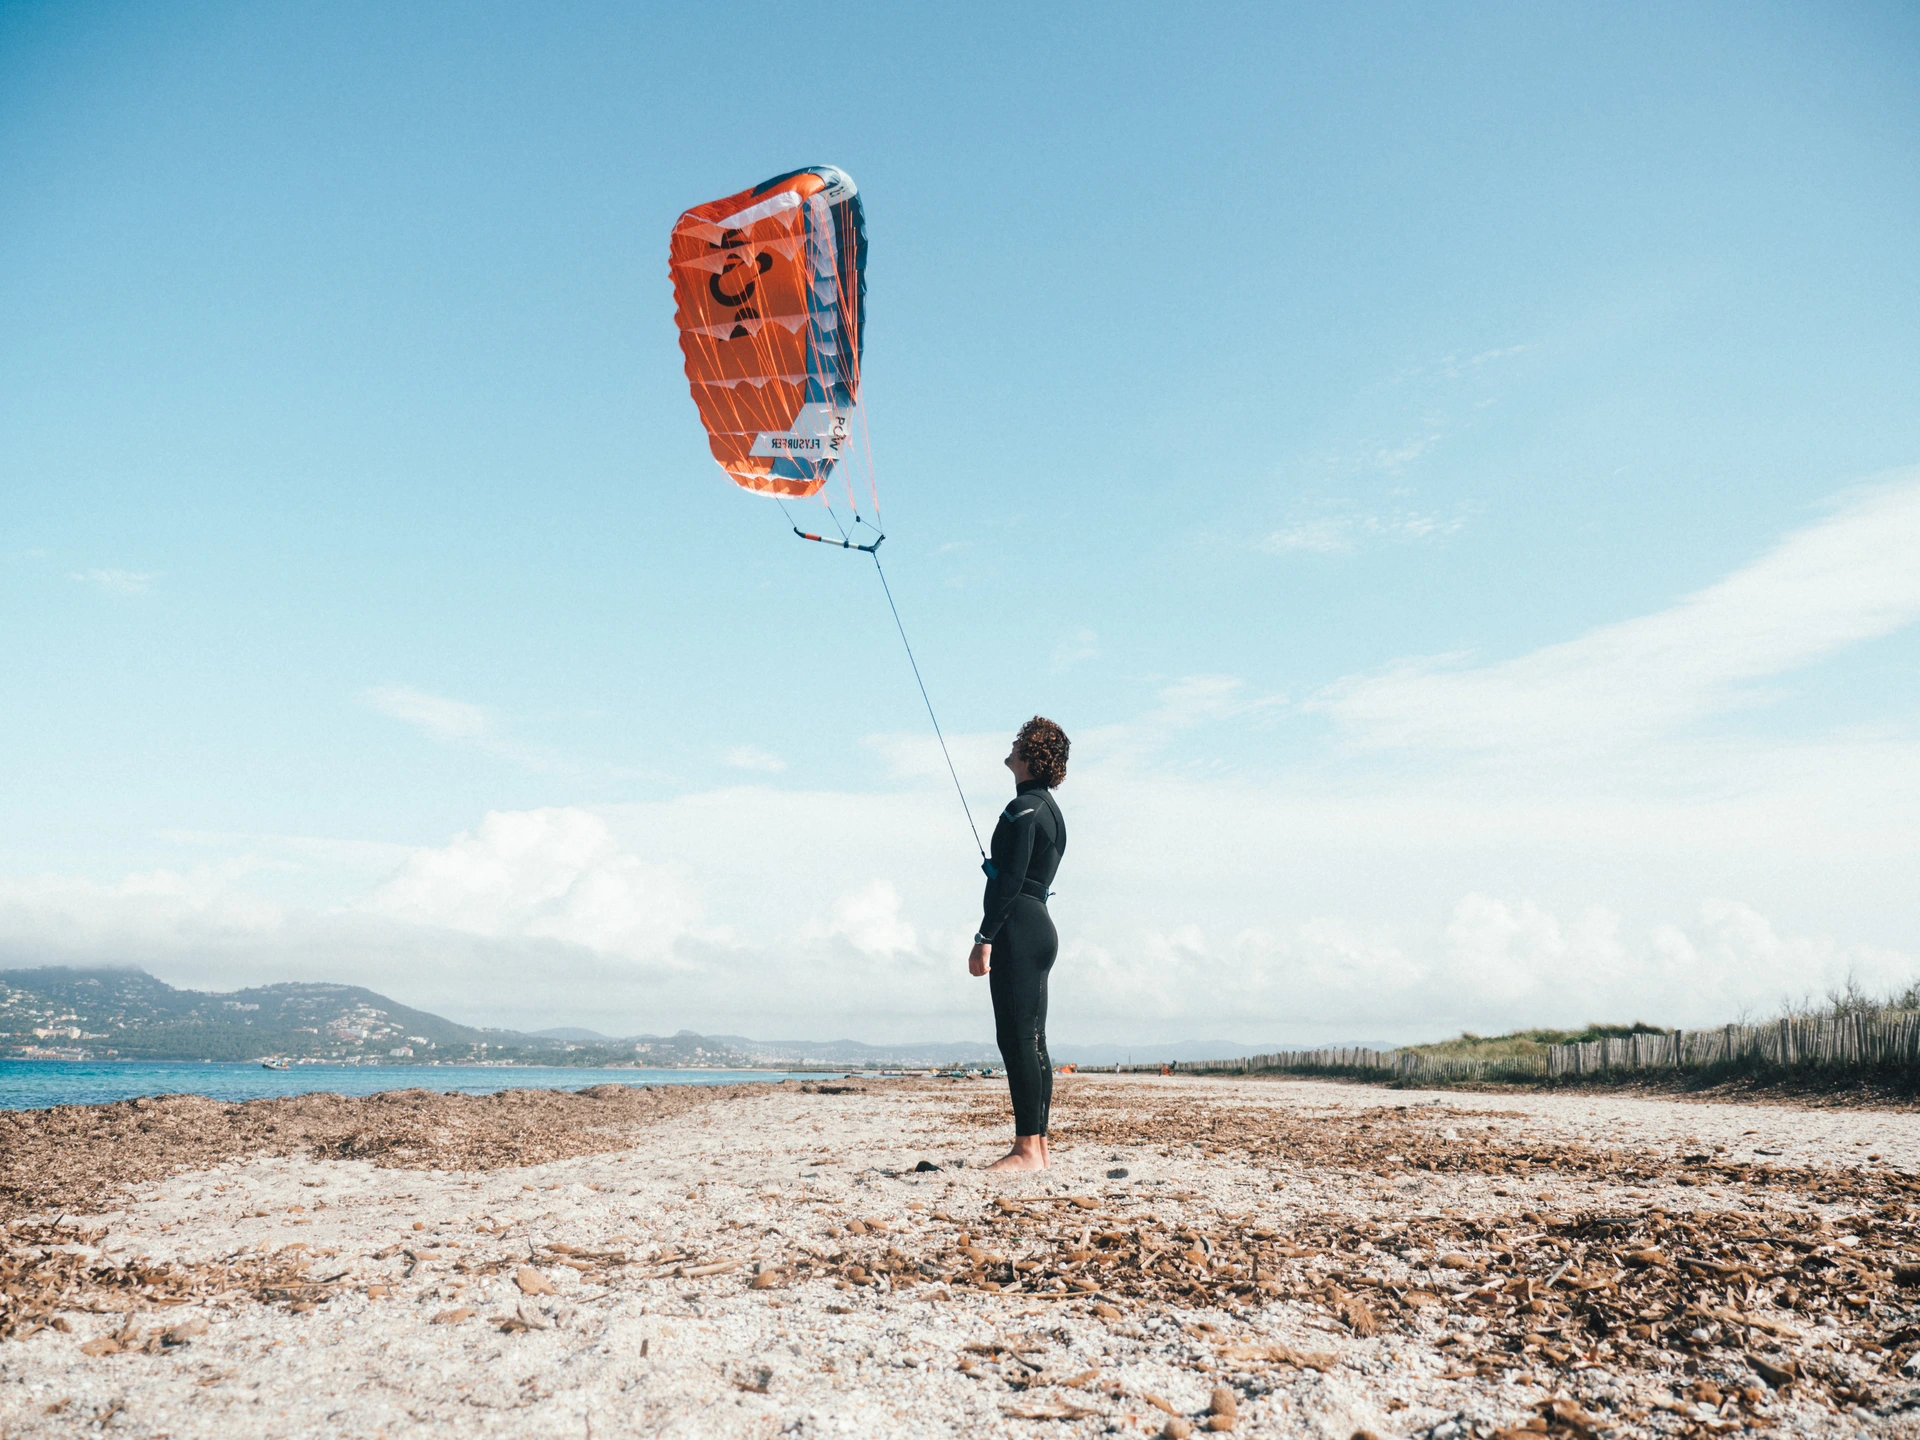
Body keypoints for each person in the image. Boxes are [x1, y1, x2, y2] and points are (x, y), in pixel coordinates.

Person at [967, 716, 1069, 1172]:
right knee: (1033, 1038)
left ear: (1030, 754)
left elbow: (1009, 881)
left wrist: (984, 937)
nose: (1011, 745)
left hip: (1019, 927)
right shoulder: (1050, 810)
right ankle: (1039, 1147)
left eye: (1019, 741)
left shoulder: (1024, 808)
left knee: (1016, 1037)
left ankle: (1027, 1149)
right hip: (1039, 924)